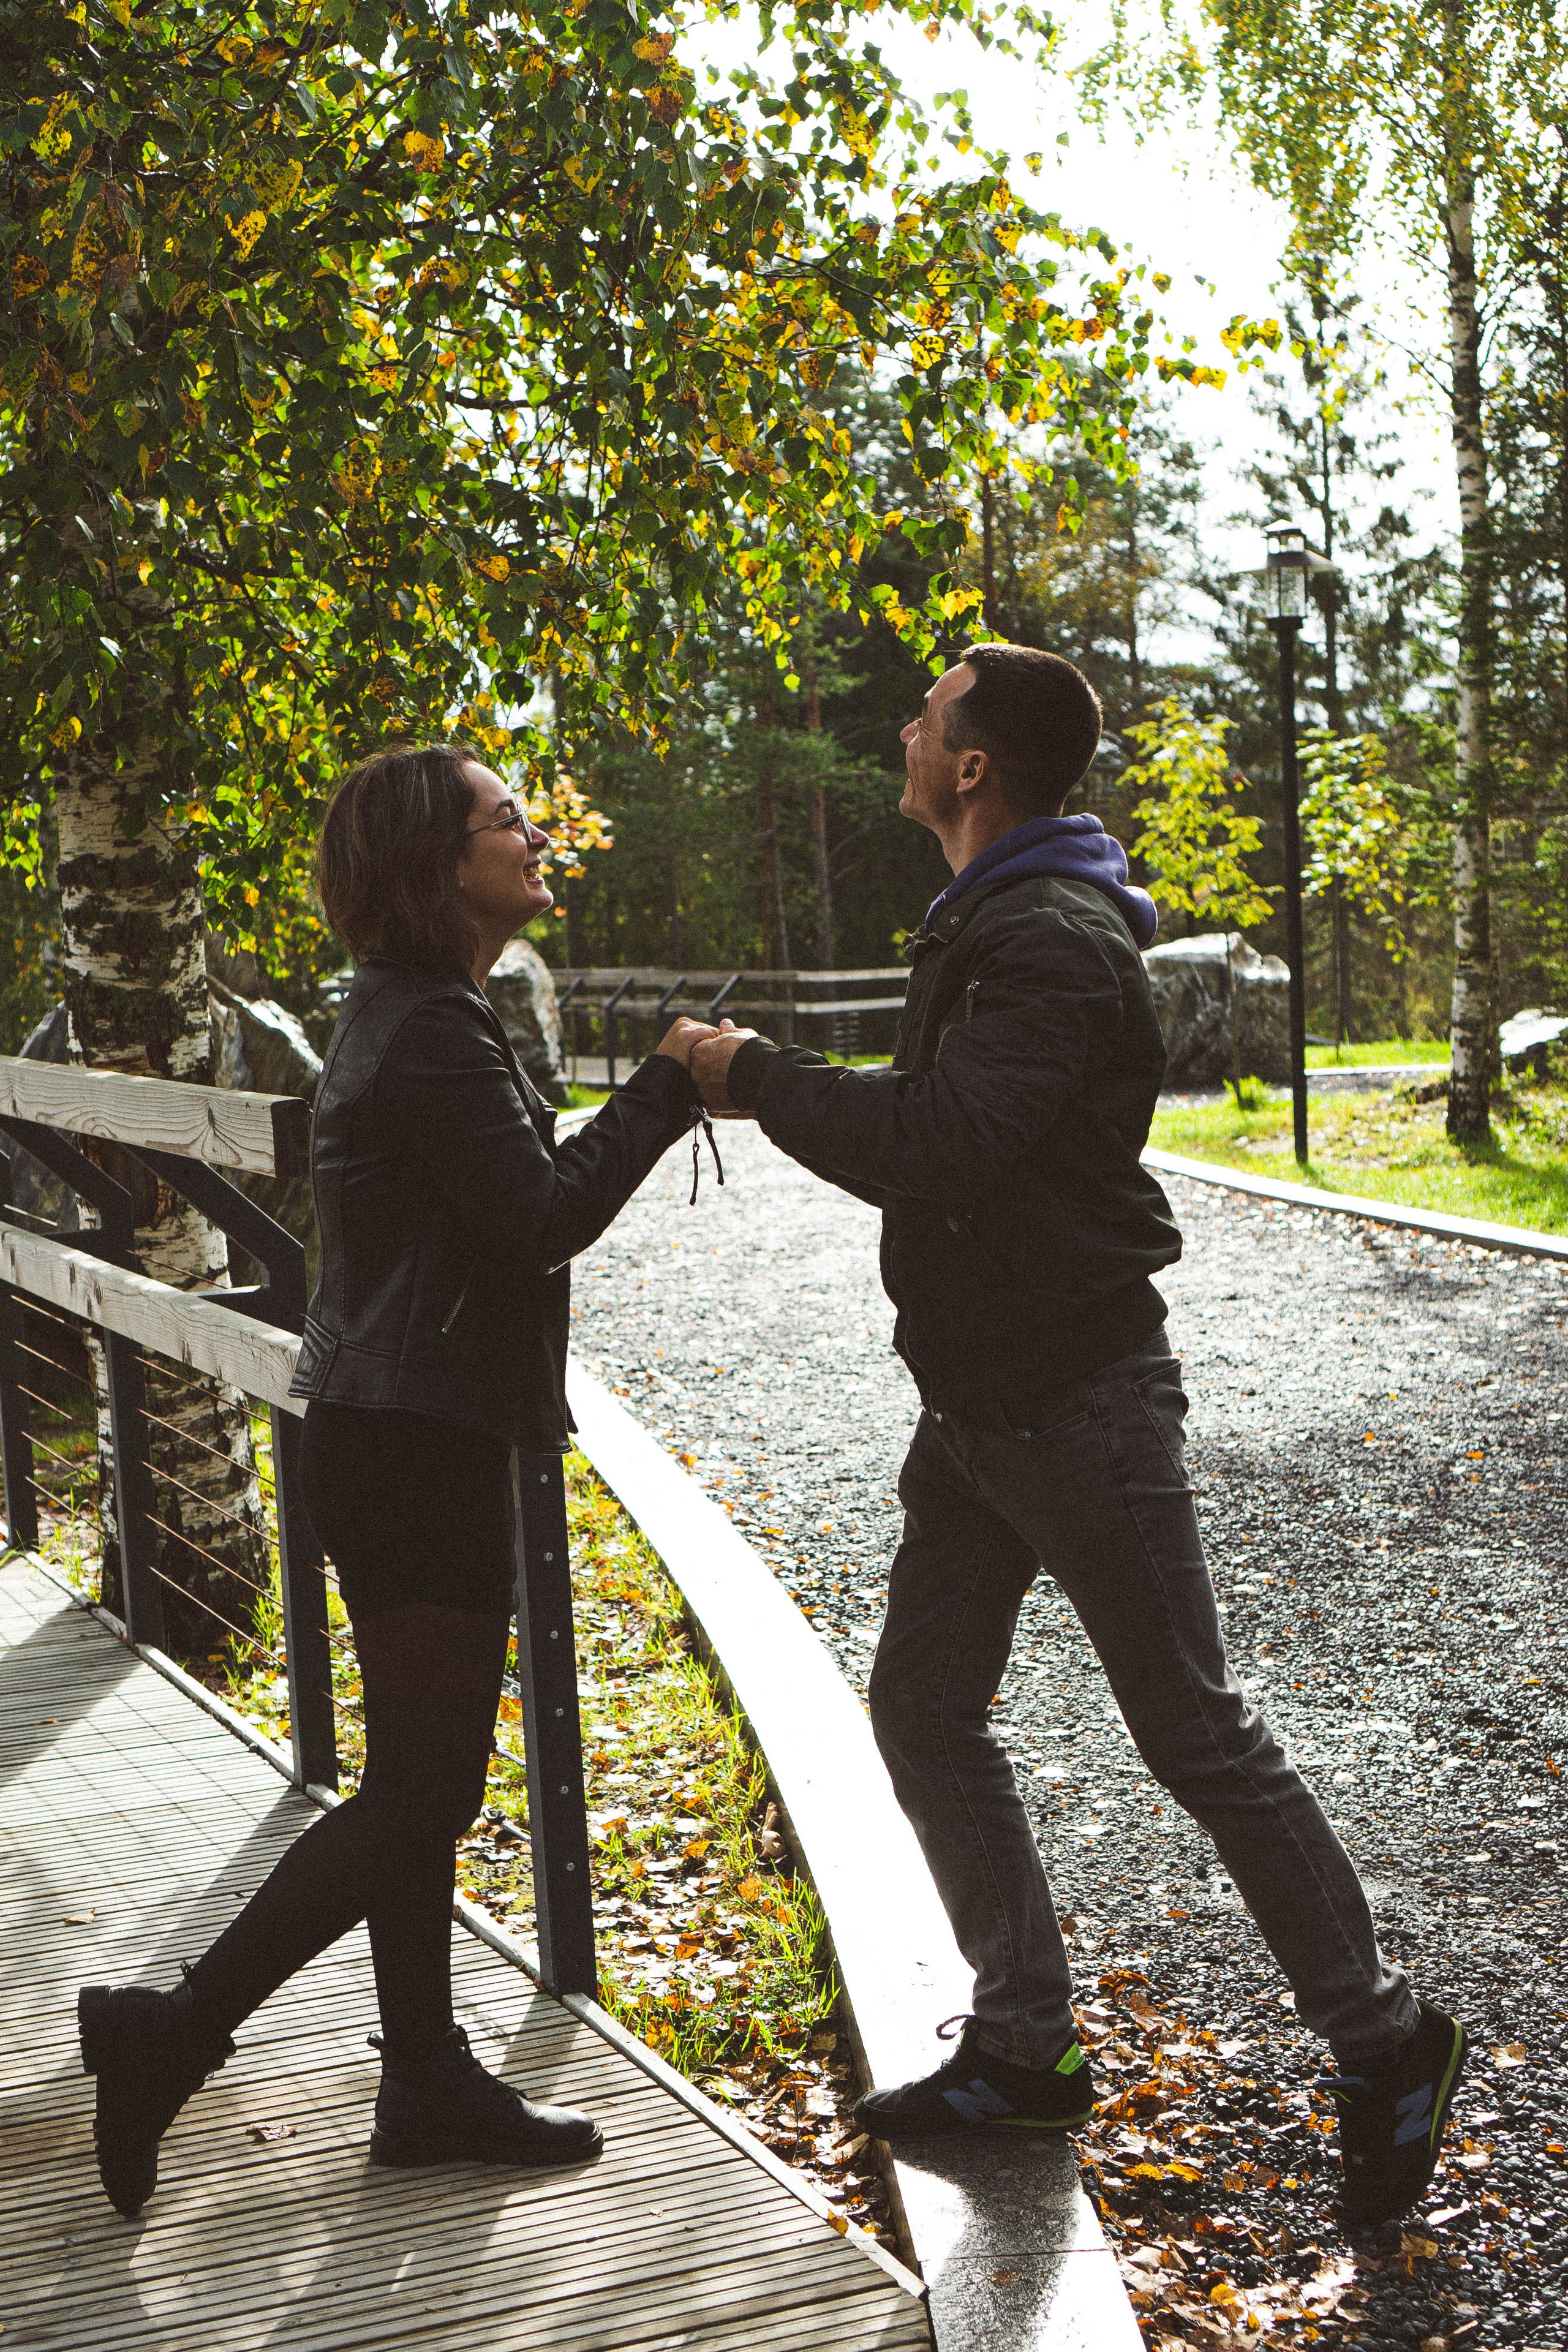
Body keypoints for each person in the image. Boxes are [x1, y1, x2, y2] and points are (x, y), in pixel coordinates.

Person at [688, 644, 1466, 2234]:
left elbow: (944, 1139)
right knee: (924, 1708)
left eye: (928, 713)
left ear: (974, 767)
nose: (904, 727)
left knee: (1193, 1734)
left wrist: (754, 1075)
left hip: (1081, 1404)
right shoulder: (999, 914)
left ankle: (1388, 2045)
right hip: (981, 1410)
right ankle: (1029, 2051)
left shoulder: (1041, 934)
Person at [78, 742, 720, 2219]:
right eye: (507, 820)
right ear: (440, 864)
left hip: (393, 1429)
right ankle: (170, 2030)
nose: (532, 832)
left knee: (414, 1789)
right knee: (418, 1792)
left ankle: (424, 2077)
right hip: (414, 1441)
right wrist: (670, 1085)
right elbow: (536, 1218)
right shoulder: (429, 1029)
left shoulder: (422, 1013)